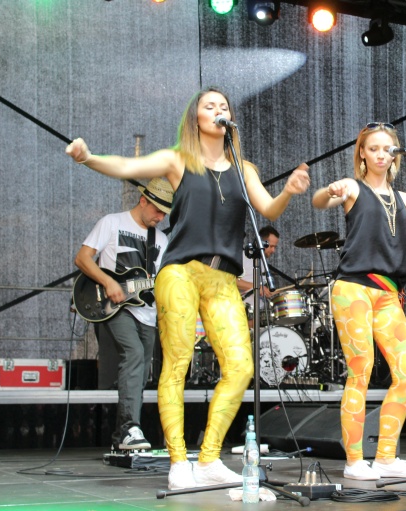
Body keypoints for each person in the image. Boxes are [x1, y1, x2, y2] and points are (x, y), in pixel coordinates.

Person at [65, 86, 310, 490]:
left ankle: (209, 458)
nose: (218, 110)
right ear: (195, 117)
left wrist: (288, 190)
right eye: (209, 105)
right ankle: (179, 460)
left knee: (241, 367)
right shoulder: (178, 159)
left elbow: (268, 208)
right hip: (179, 271)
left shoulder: (244, 168)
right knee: (176, 362)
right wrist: (88, 157)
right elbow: (127, 166)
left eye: (223, 106)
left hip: (222, 278)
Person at [312, 122, 406, 481]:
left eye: (387, 149)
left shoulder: (405, 198)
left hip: (388, 293)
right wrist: (329, 190)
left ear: (395, 155)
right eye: (373, 148)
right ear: (362, 153)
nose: (381, 154)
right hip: (354, 288)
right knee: (360, 370)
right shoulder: (352, 187)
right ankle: (354, 461)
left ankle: (386, 457)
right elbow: (319, 201)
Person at [74, 178, 173, 451]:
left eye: (165, 213)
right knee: (134, 353)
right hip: (115, 307)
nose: (160, 217)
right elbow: (82, 258)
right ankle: (130, 427)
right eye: (157, 211)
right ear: (143, 200)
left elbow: (160, 279)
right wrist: (108, 282)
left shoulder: (161, 239)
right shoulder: (112, 222)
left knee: (140, 372)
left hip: (147, 313)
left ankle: (122, 436)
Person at [237, 225, 280, 327]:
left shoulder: (262, 263)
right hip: (243, 313)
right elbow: (231, 280)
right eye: (271, 246)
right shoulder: (242, 257)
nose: (273, 251)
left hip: (260, 313)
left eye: (275, 247)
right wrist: (257, 288)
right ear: (261, 243)